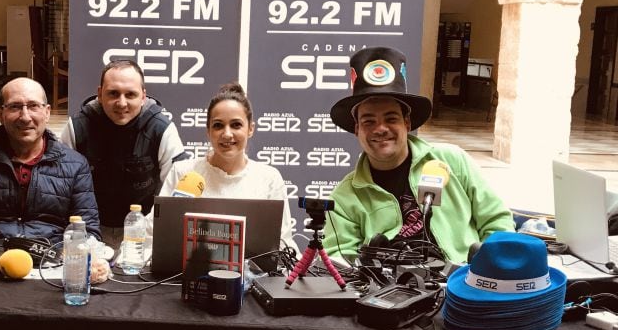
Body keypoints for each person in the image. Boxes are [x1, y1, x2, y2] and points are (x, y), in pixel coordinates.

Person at [324, 46, 513, 263]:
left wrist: (484, 274)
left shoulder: (452, 160)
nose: (380, 128)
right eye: (369, 121)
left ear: (407, 122)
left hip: (463, 286)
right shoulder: (344, 198)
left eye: (391, 118)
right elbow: (337, 261)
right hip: (385, 293)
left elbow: (498, 223)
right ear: (357, 129)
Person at [0, 77, 107, 281]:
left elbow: (88, 230)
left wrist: (71, 266)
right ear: (0, 114)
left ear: (47, 112)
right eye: (15, 107)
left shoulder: (76, 164)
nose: (25, 117)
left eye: (33, 106)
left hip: (51, 273)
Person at [61, 59, 186, 245]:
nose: (121, 103)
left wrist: (152, 234)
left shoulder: (162, 129)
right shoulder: (77, 127)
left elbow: (176, 193)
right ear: (99, 94)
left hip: (143, 229)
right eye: (113, 94)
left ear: (143, 96)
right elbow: (60, 188)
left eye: (130, 94)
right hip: (87, 231)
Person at [157, 83, 295, 250]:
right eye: (218, 125)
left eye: (236, 125)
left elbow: (282, 243)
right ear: (208, 130)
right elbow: (155, 234)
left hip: (254, 275)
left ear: (250, 129)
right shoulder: (182, 172)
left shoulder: (269, 178)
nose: (227, 134)